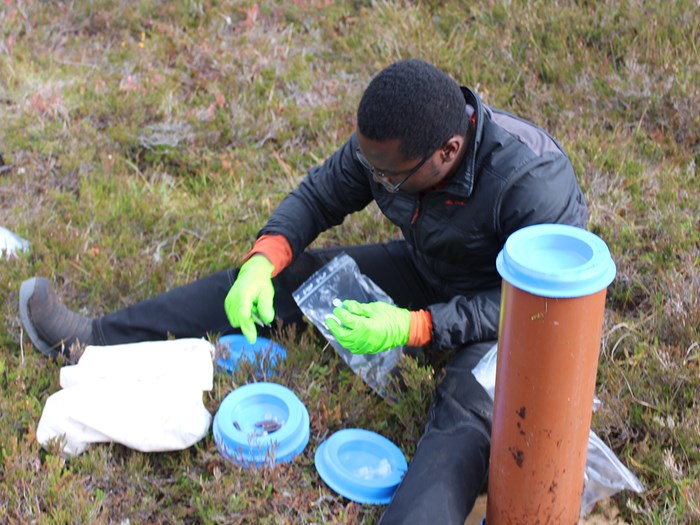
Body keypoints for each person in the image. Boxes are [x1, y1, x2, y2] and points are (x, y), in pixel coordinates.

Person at [19, 59, 587, 524]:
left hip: (510, 314)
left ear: (448, 151)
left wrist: (416, 326)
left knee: (461, 418)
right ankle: (94, 340)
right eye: (369, 163)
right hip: (425, 270)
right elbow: (320, 196)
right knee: (294, 275)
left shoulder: (532, 182)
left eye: (386, 176)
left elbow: (544, 310)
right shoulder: (392, 146)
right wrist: (263, 262)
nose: (373, 176)